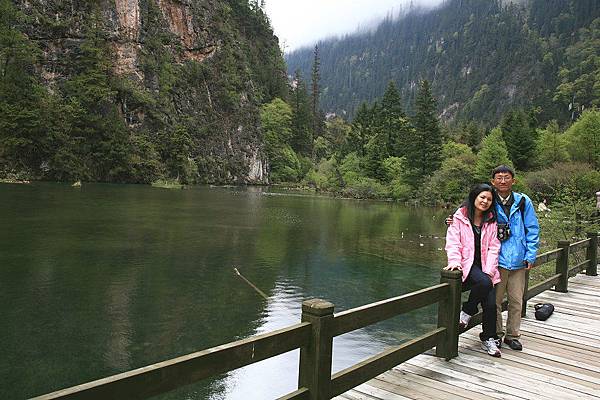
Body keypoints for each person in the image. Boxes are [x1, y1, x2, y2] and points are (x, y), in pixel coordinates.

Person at [444, 183, 502, 357]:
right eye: (482, 197)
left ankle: (487, 336)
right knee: (485, 284)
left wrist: (490, 271)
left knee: (491, 303)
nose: (485, 201)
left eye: (489, 199)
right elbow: (453, 242)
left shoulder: (492, 219)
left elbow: (494, 246)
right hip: (466, 265)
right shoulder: (459, 217)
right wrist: (454, 262)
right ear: (474, 197)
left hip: (485, 267)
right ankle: (469, 313)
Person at [491, 165, 540, 351]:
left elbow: (532, 229)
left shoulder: (522, 201)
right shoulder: (489, 199)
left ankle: (512, 335)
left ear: (514, 180)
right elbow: (469, 213)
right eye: (499, 178)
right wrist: (451, 220)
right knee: (494, 301)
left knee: (516, 300)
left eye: (506, 177)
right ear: (493, 181)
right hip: (497, 260)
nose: (503, 181)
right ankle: (495, 334)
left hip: (519, 260)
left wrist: (531, 254)